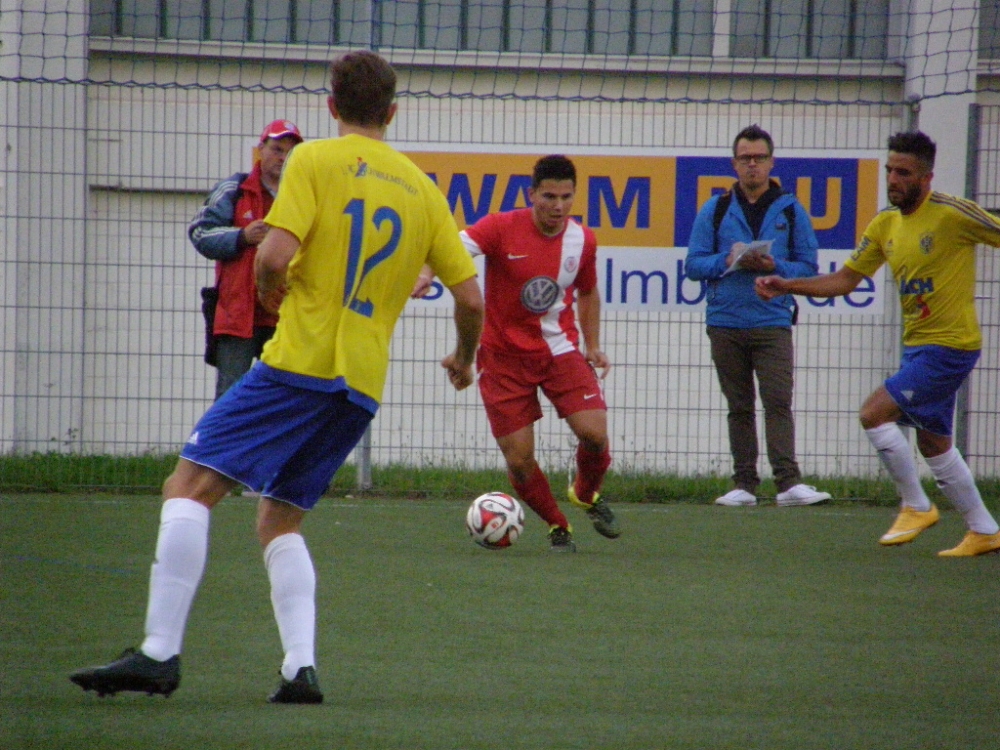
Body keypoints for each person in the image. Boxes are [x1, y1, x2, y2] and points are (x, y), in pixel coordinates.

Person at [69, 50, 485, 703]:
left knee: (187, 484)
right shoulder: (423, 190)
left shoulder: (313, 160)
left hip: (298, 364)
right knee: (279, 520)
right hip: (360, 389)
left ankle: (158, 652)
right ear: (393, 112)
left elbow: (273, 255)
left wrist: (269, 294)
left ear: (332, 105)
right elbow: (471, 300)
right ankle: (300, 669)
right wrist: (464, 358)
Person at [757, 130, 1000, 556]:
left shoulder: (952, 213)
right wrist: (787, 285)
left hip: (951, 346)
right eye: (890, 170)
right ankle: (984, 530)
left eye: (903, 172)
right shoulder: (885, 223)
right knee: (933, 443)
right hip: (917, 347)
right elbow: (844, 280)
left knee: (874, 413)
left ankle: (915, 505)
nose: (893, 179)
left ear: (926, 177)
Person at [414, 155, 620, 551]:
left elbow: (588, 290)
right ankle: (558, 524)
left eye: (566, 197)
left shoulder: (583, 240)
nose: (558, 206)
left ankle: (584, 492)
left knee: (595, 435)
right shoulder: (500, 227)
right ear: (532, 194)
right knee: (520, 460)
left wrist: (592, 345)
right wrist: (426, 274)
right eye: (549, 197)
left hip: (559, 350)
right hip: (502, 359)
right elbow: (449, 248)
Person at [685, 124, 832, 508]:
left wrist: (773, 266)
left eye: (759, 158)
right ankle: (744, 485)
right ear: (734, 164)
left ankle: (788, 483)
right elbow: (693, 265)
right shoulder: (715, 209)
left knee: (778, 402)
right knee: (739, 406)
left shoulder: (791, 209)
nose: (752, 164)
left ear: (771, 162)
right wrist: (728, 259)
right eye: (745, 158)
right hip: (725, 322)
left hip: (772, 321)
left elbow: (808, 267)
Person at [189, 118, 303, 399]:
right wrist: (241, 236)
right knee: (230, 400)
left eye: (290, 152)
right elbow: (200, 233)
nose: (283, 157)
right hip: (236, 316)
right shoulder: (234, 189)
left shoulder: (303, 196)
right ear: (261, 149)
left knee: (277, 401)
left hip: (284, 318)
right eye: (277, 149)